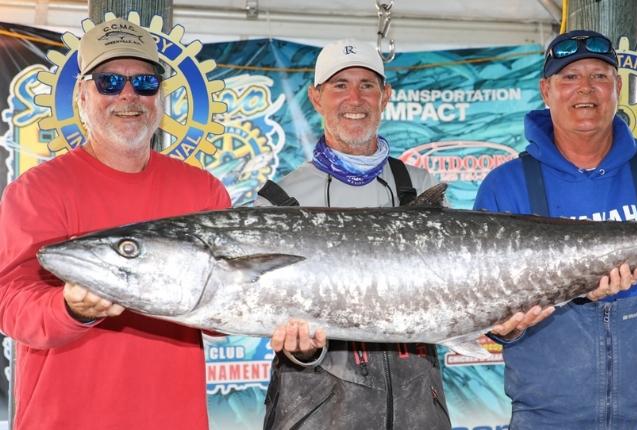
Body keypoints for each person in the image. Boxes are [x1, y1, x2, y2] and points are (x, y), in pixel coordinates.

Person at [474, 29, 637, 429]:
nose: (585, 89)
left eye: (599, 76)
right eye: (569, 77)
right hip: (545, 421)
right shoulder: (505, 187)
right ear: (546, 90)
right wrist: (504, 328)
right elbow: (490, 313)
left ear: (617, 87)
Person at [0, 18, 230, 429]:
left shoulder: (204, 191)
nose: (129, 96)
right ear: (82, 95)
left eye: (145, 82)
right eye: (108, 82)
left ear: (160, 95)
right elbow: (10, 303)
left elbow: (221, 317)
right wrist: (68, 308)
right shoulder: (36, 191)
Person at [255, 39, 450, 429]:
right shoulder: (279, 200)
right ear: (316, 97)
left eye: (367, 85)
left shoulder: (419, 184)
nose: (354, 98)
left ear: (385, 96)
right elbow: (265, 312)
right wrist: (302, 350)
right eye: (339, 85)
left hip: (418, 411)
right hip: (318, 414)